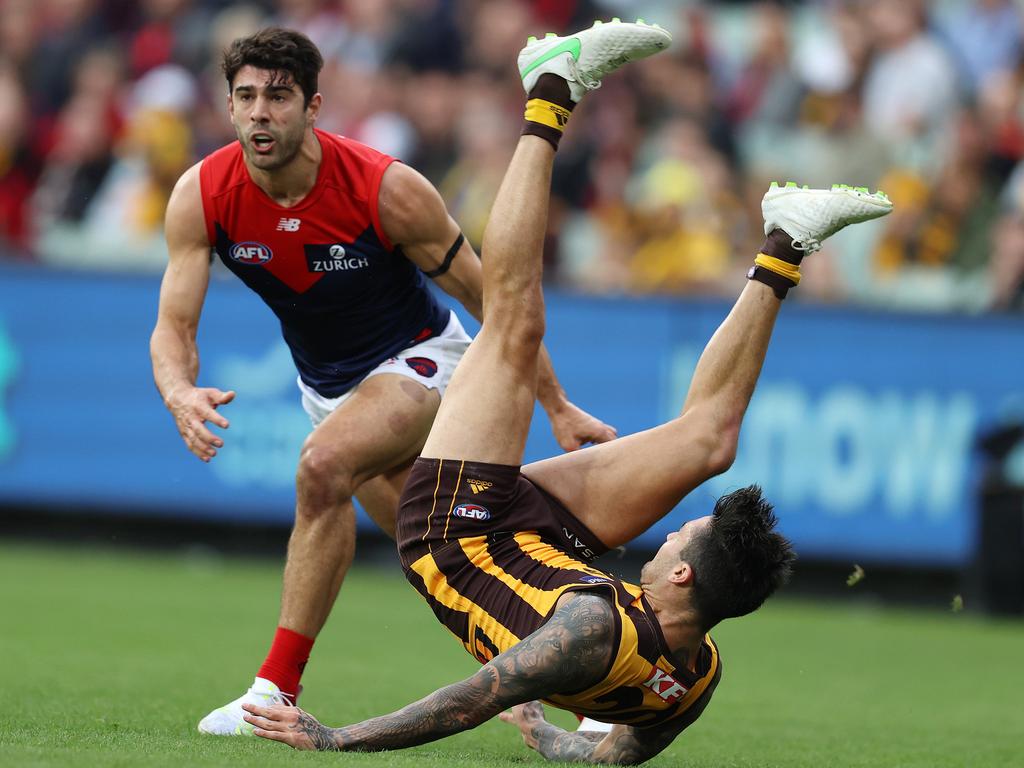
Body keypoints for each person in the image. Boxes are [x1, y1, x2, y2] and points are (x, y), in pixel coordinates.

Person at [240, 19, 893, 764]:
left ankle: (550, 89)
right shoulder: (695, 678)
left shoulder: (593, 632)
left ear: (681, 574)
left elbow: (468, 701)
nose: (669, 533)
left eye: (681, 537)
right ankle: (784, 246)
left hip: (456, 531)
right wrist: (551, 737)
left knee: (513, 320)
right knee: (710, 444)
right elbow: (606, 759)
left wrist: (336, 739)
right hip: (541, 541)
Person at [149, 27, 616, 736]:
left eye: (278, 97)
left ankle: (271, 691)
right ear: (229, 105)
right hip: (332, 392)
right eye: (246, 97)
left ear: (313, 108)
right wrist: (179, 391)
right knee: (448, 562)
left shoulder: (385, 188)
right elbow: (173, 328)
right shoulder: (204, 194)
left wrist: (555, 403)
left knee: (322, 465)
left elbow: (497, 300)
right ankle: (599, 696)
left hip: (426, 358)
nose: (259, 114)